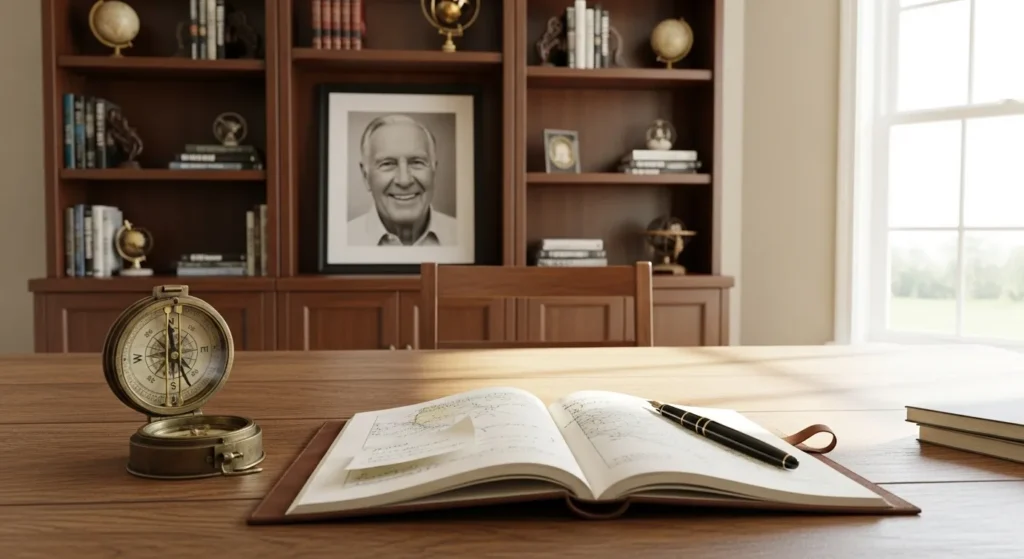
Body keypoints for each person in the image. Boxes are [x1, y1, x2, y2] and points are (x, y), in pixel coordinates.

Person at [346, 114, 458, 246]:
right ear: (366, 176)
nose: (404, 181)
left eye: (416, 162)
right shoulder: (342, 241)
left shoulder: (464, 237)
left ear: (434, 172)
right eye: (387, 164)